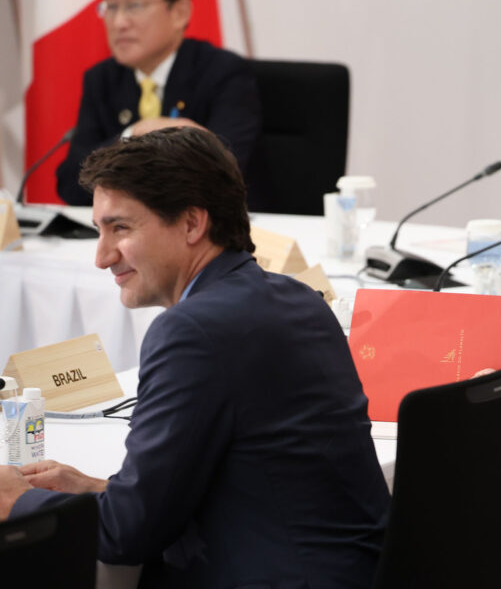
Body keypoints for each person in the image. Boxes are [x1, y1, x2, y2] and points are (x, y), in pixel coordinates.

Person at [0, 127, 389, 588]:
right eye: (98, 232)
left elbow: (125, 535)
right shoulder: (299, 298)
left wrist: (18, 501)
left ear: (191, 224)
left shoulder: (191, 332)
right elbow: (249, 476)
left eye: (120, 228)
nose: (102, 258)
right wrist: (101, 490)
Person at [56, 0, 268, 210]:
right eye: (111, 6)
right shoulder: (101, 80)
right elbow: (70, 184)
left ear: (179, 12)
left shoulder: (223, 72)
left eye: (134, 5)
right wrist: (133, 134)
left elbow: (225, 175)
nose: (119, 22)